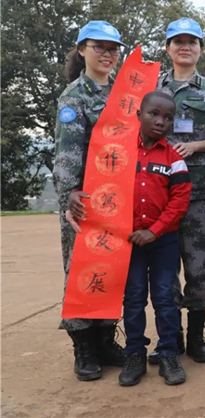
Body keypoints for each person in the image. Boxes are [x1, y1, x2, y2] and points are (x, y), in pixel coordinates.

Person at [67, 91, 193, 386]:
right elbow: (97, 185)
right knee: (134, 297)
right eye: (154, 114)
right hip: (127, 244)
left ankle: (168, 353)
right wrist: (74, 193)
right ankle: (135, 353)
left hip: (163, 241)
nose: (160, 121)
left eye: (168, 118)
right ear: (138, 115)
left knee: (164, 297)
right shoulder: (117, 154)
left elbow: (179, 202)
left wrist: (155, 230)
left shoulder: (174, 159)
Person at [54, 20, 127, 381]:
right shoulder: (74, 96)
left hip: (116, 198)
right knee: (81, 270)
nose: (107, 54)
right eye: (99, 47)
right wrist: (69, 196)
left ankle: (106, 340)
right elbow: (67, 152)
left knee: (111, 269)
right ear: (82, 49)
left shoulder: (123, 94)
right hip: (83, 200)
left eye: (113, 49)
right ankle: (83, 347)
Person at [150, 17, 205, 365]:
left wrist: (195, 146)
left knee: (198, 265)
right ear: (168, 48)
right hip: (157, 193)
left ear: (200, 50)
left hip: (197, 192)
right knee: (163, 270)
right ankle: (171, 336)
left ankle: (196, 336)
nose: (185, 47)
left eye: (192, 42)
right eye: (178, 41)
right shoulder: (152, 86)